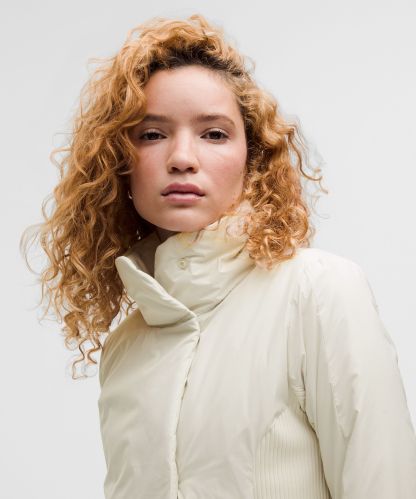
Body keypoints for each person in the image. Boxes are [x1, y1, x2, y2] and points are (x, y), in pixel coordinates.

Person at [21, 13, 416, 499]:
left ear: (253, 157)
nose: (182, 158)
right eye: (152, 134)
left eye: (213, 134)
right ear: (118, 162)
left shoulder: (317, 293)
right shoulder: (125, 348)